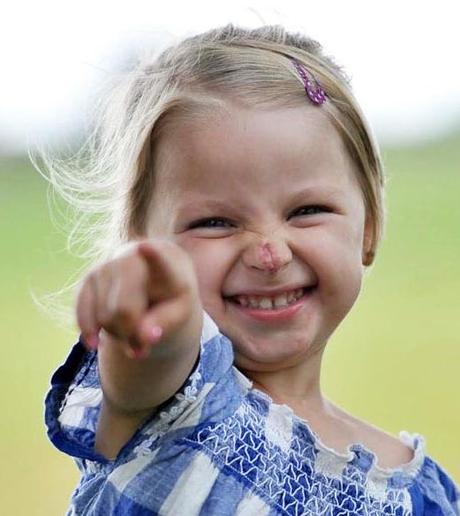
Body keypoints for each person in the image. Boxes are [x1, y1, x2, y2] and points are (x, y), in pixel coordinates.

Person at [43, 24, 459, 515]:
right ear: (142, 242)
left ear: (367, 227)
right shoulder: (174, 406)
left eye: (307, 211)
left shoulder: (421, 494)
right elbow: (154, 351)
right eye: (214, 222)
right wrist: (155, 298)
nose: (271, 253)